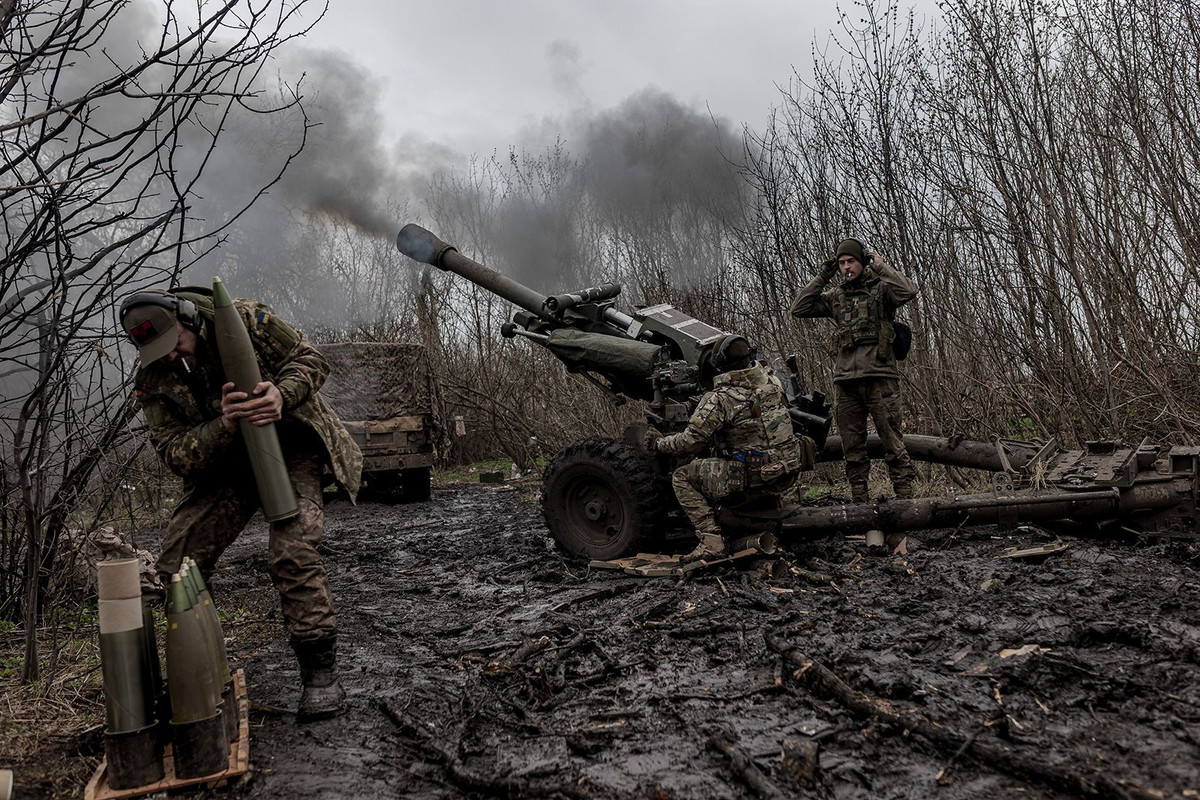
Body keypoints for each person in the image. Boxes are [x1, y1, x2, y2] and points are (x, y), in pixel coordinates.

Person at [119, 286, 362, 721]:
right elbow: (176, 454)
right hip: (228, 462)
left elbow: (312, 360)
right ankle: (195, 677)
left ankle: (320, 676)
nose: (172, 357)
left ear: (188, 319)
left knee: (292, 550)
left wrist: (280, 395)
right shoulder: (153, 380)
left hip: (289, 448)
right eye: (160, 352)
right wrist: (224, 424)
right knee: (178, 561)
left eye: (175, 344)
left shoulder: (247, 321)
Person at [650, 335, 813, 561]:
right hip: (786, 473)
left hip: (754, 478)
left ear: (721, 364)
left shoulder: (721, 398)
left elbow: (690, 443)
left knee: (682, 476)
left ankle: (711, 540)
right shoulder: (772, 382)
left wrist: (659, 443)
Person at [790, 237, 917, 502]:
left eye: (851, 262)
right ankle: (860, 499)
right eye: (842, 263)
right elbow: (799, 308)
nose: (847, 267)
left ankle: (905, 500)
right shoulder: (837, 296)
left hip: (881, 378)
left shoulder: (882, 290)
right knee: (852, 446)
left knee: (892, 441)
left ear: (862, 262)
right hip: (846, 381)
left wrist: (881, 267)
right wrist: (823, 275)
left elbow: (909, 291)